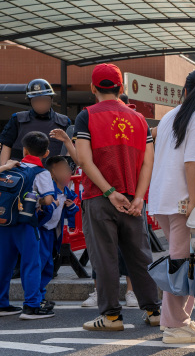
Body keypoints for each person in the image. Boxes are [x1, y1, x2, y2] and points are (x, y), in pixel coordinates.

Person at [75, 63, 161, 332]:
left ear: (93, 88)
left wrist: (109, 193)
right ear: (121, 88)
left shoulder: (85, 116)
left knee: (105, 256)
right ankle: (153, 311)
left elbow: (84, 161)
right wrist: (138, 198)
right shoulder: (139, 120)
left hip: (99, 197)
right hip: (133, 199)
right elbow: (148, 163)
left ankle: (111, 316)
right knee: (140, 255)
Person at [148, 68, 195, 343]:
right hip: (183, 200)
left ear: (184, 92)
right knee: (183, 261)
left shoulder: (168, 116)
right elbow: (192, 162)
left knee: (182, 259)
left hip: (163, 198)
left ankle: (176, 322)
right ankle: (176, 325)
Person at [0, 131, 55, 319]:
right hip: (26, 223)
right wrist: (37, 200)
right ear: (46, 153)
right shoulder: (42, 172)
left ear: (24, 150)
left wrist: (5, 166)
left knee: (3, 264)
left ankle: (1, 303)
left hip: (4, 222)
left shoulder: (10, 167)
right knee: (31, 263)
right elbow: (48, 199)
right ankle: (31, 305)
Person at [37, 156, 79, 311]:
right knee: (39, 264)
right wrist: (52, 206)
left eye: (68, 169)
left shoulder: (67, 192)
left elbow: (72, 212)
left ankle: (41, 296)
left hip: (53, 233)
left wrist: (71, 207)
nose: (67, 173)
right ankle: (36, 298)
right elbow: (42, 211)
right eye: (62, 169)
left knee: (48, 265)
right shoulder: (48, 191)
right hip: (41, 231)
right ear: (51, 174)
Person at [0, 79, 70, 164]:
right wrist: (3, 170)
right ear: (30, 101)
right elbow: (7, 145)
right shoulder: (17, 119)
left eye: (44, 99)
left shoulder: (64, 121)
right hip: (22, 173)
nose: (40, 104)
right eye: (36, 100)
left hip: (53, 174)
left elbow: (71, 147)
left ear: (51, 99)